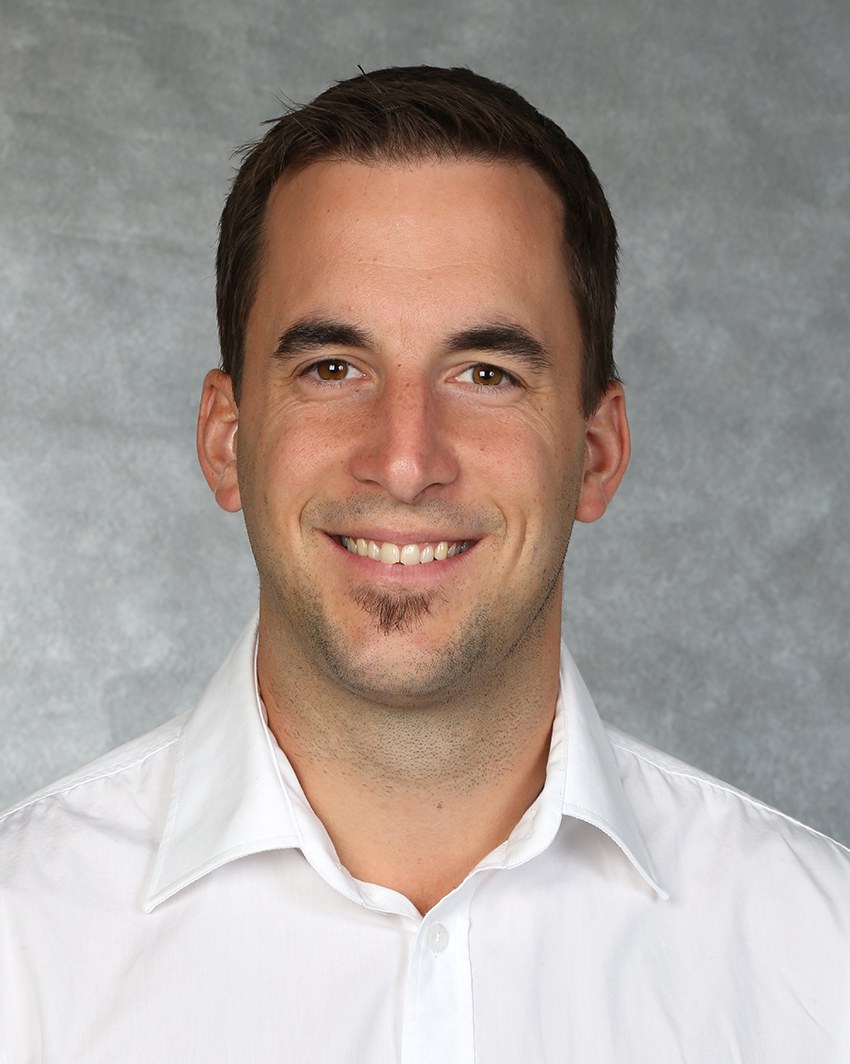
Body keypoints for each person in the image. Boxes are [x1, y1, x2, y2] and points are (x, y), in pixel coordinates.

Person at [1, 65, 848, 1062]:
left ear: (596, 453)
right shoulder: (25, 944)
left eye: (485, 373)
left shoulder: (817, 959)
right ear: (227, 439)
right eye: (332, 368)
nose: (404, 460)